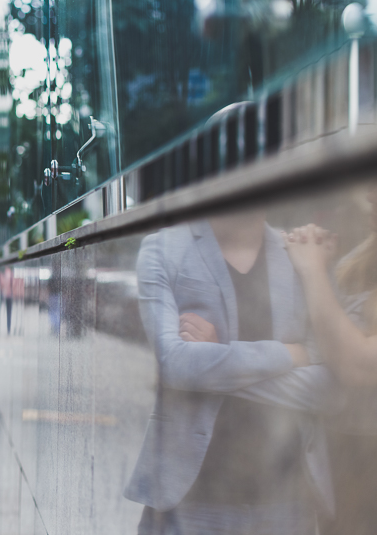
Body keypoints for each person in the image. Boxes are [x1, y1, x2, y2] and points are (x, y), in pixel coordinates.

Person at [124, 209, 335, 534]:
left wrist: (215, 357)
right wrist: (291, 354)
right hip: (191, 503)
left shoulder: (299, 255)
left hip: (287, 502)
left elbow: (329, 387)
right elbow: (177, 366)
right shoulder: (163, 248)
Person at [284, 186, 377, 535]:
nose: (369, 194)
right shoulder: (360, 259)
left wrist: (312, 270)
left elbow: (358, 364)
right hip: (339, 451)